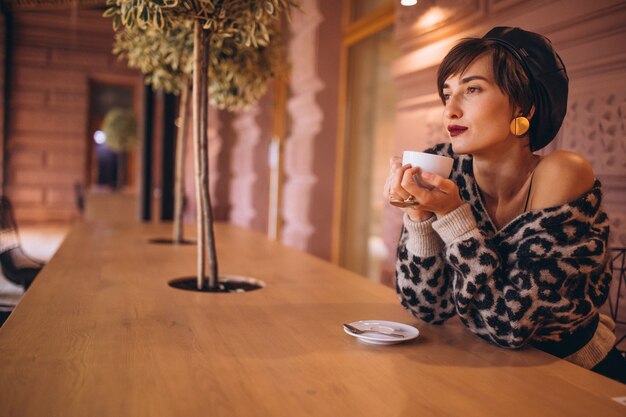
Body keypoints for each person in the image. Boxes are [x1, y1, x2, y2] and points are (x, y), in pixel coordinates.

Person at [384, 26, 626, 384]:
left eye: (472, 89)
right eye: (446, 94)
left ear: (523, 105)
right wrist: (419, 215)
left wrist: (452, 217)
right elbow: (426, 308)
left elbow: (512, 326)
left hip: (577, 378)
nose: (449, 110)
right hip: (493, 371)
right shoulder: (447, 170)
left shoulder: (563, 173)